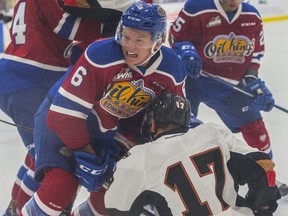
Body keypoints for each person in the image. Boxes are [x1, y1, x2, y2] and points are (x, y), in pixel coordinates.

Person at [22, 2, 187, 215]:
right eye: (126, 36)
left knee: (113, 198)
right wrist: (88, 156)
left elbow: (173, 119)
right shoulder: (101, 54)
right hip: (61, 121)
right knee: (60, 187)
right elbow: (63, 116)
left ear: (156, 42)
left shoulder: (172, 69)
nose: (130, 46)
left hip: (110, 133)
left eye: (140, 40)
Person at [0, 0, 137, 214]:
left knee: (37, 154)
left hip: (24, 76)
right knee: (51, 160)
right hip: (30, 78)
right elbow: (69, 26)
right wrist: (122, 26)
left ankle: (14, 208)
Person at [169, 0, 288, 197]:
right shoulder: (197, 7)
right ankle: (178, 183)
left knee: (257, 131)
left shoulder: (252, 16)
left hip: (229, 85)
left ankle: (267, 180)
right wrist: (186, 51)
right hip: (193, 82)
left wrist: (252, 81)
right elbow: (174, 39)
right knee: (180, 131)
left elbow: (255, 55)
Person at [104, 92, 280, 216]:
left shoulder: (140, 156)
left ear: (152, 124)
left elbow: (117, 209)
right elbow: (264, 166)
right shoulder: (212, 132)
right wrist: (262, 209)